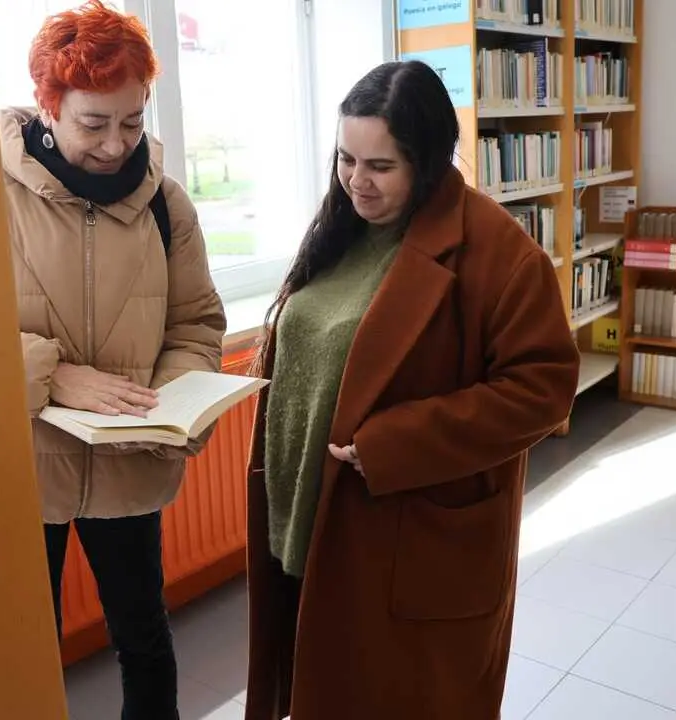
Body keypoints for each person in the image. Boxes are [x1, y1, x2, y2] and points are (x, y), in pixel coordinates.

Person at [243, 60, 581, 720]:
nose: (355, 181)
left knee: (396, 694)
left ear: (426, 161)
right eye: (345, 159)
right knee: (323, 683)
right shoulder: (343, 226)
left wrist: (395, 443)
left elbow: (542, 388)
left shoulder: (500, 253)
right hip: (309, 512)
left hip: (407, 527)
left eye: (380, 166)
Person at [0, 2, 226, 718]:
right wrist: (53, 376)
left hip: (128, 458)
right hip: (22, 465)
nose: (116, 145)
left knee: (144, 640)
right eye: (93, 123)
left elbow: (195, 323)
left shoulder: (167, 204)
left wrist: (172, 405)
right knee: (22, 652)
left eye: (132, 121)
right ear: (48, 104)